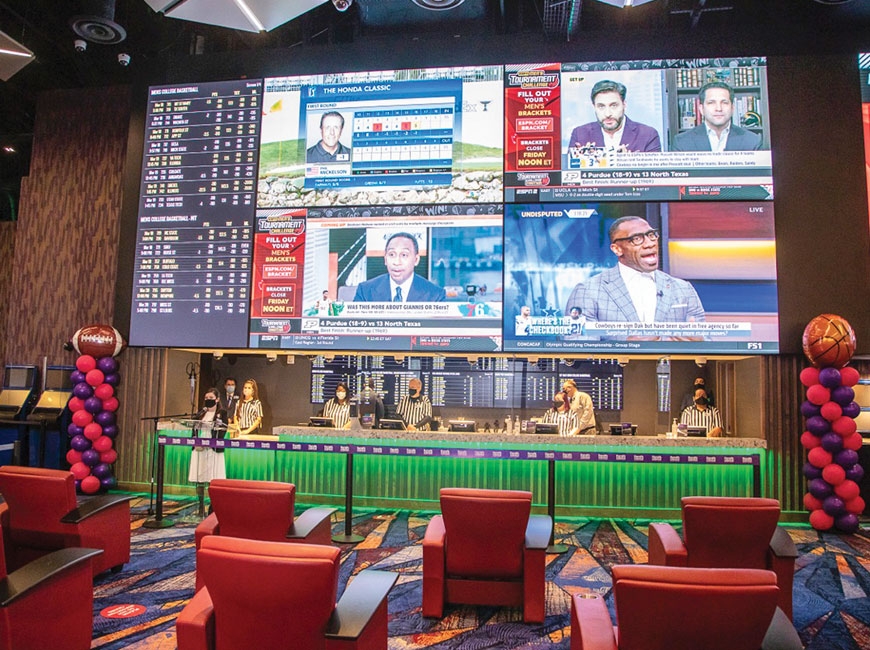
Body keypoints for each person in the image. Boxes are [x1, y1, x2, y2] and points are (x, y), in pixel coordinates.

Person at [580, 216, 705, 331]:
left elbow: (706, 341)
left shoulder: (683, 288)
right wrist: (626, 349)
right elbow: (579, 346)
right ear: (617, 249)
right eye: (637, 239)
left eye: (651, 235)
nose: (650, 244)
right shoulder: (588, 291)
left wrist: (698, 343)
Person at [568, 80, 662, 153]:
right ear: (594, 107)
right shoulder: (580, 134)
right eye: (601, 106)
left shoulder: (648, 135)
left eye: (613, 105)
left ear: (624, 105)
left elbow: (655, 176)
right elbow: (568, 173)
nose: (608, 114)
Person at [353, 232, 446, 302]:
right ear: (385, 259)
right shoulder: (365, 291)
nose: (396, 262)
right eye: (392, 254)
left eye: (404, 255)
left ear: (416, 260)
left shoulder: (435, 295)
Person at [671, 81, 762, 152]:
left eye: (724, 103)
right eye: (711, 103)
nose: (719, 108)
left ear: (732, 108)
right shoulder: (681, 142)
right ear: (701, 109)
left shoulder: (752, 141)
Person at [187, 387, 227, 517]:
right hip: (200, 450)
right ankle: (199, 507)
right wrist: (196, 441)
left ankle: (213, 507)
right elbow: (194, 428)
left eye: (211, 398)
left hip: (213, 451)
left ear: (217, 399)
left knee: (212, 479)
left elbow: (223, 430)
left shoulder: (222, 413)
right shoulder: (200, 413)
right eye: (206, 398)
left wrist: (212, 442)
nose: (208, 400)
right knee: (200, 479)